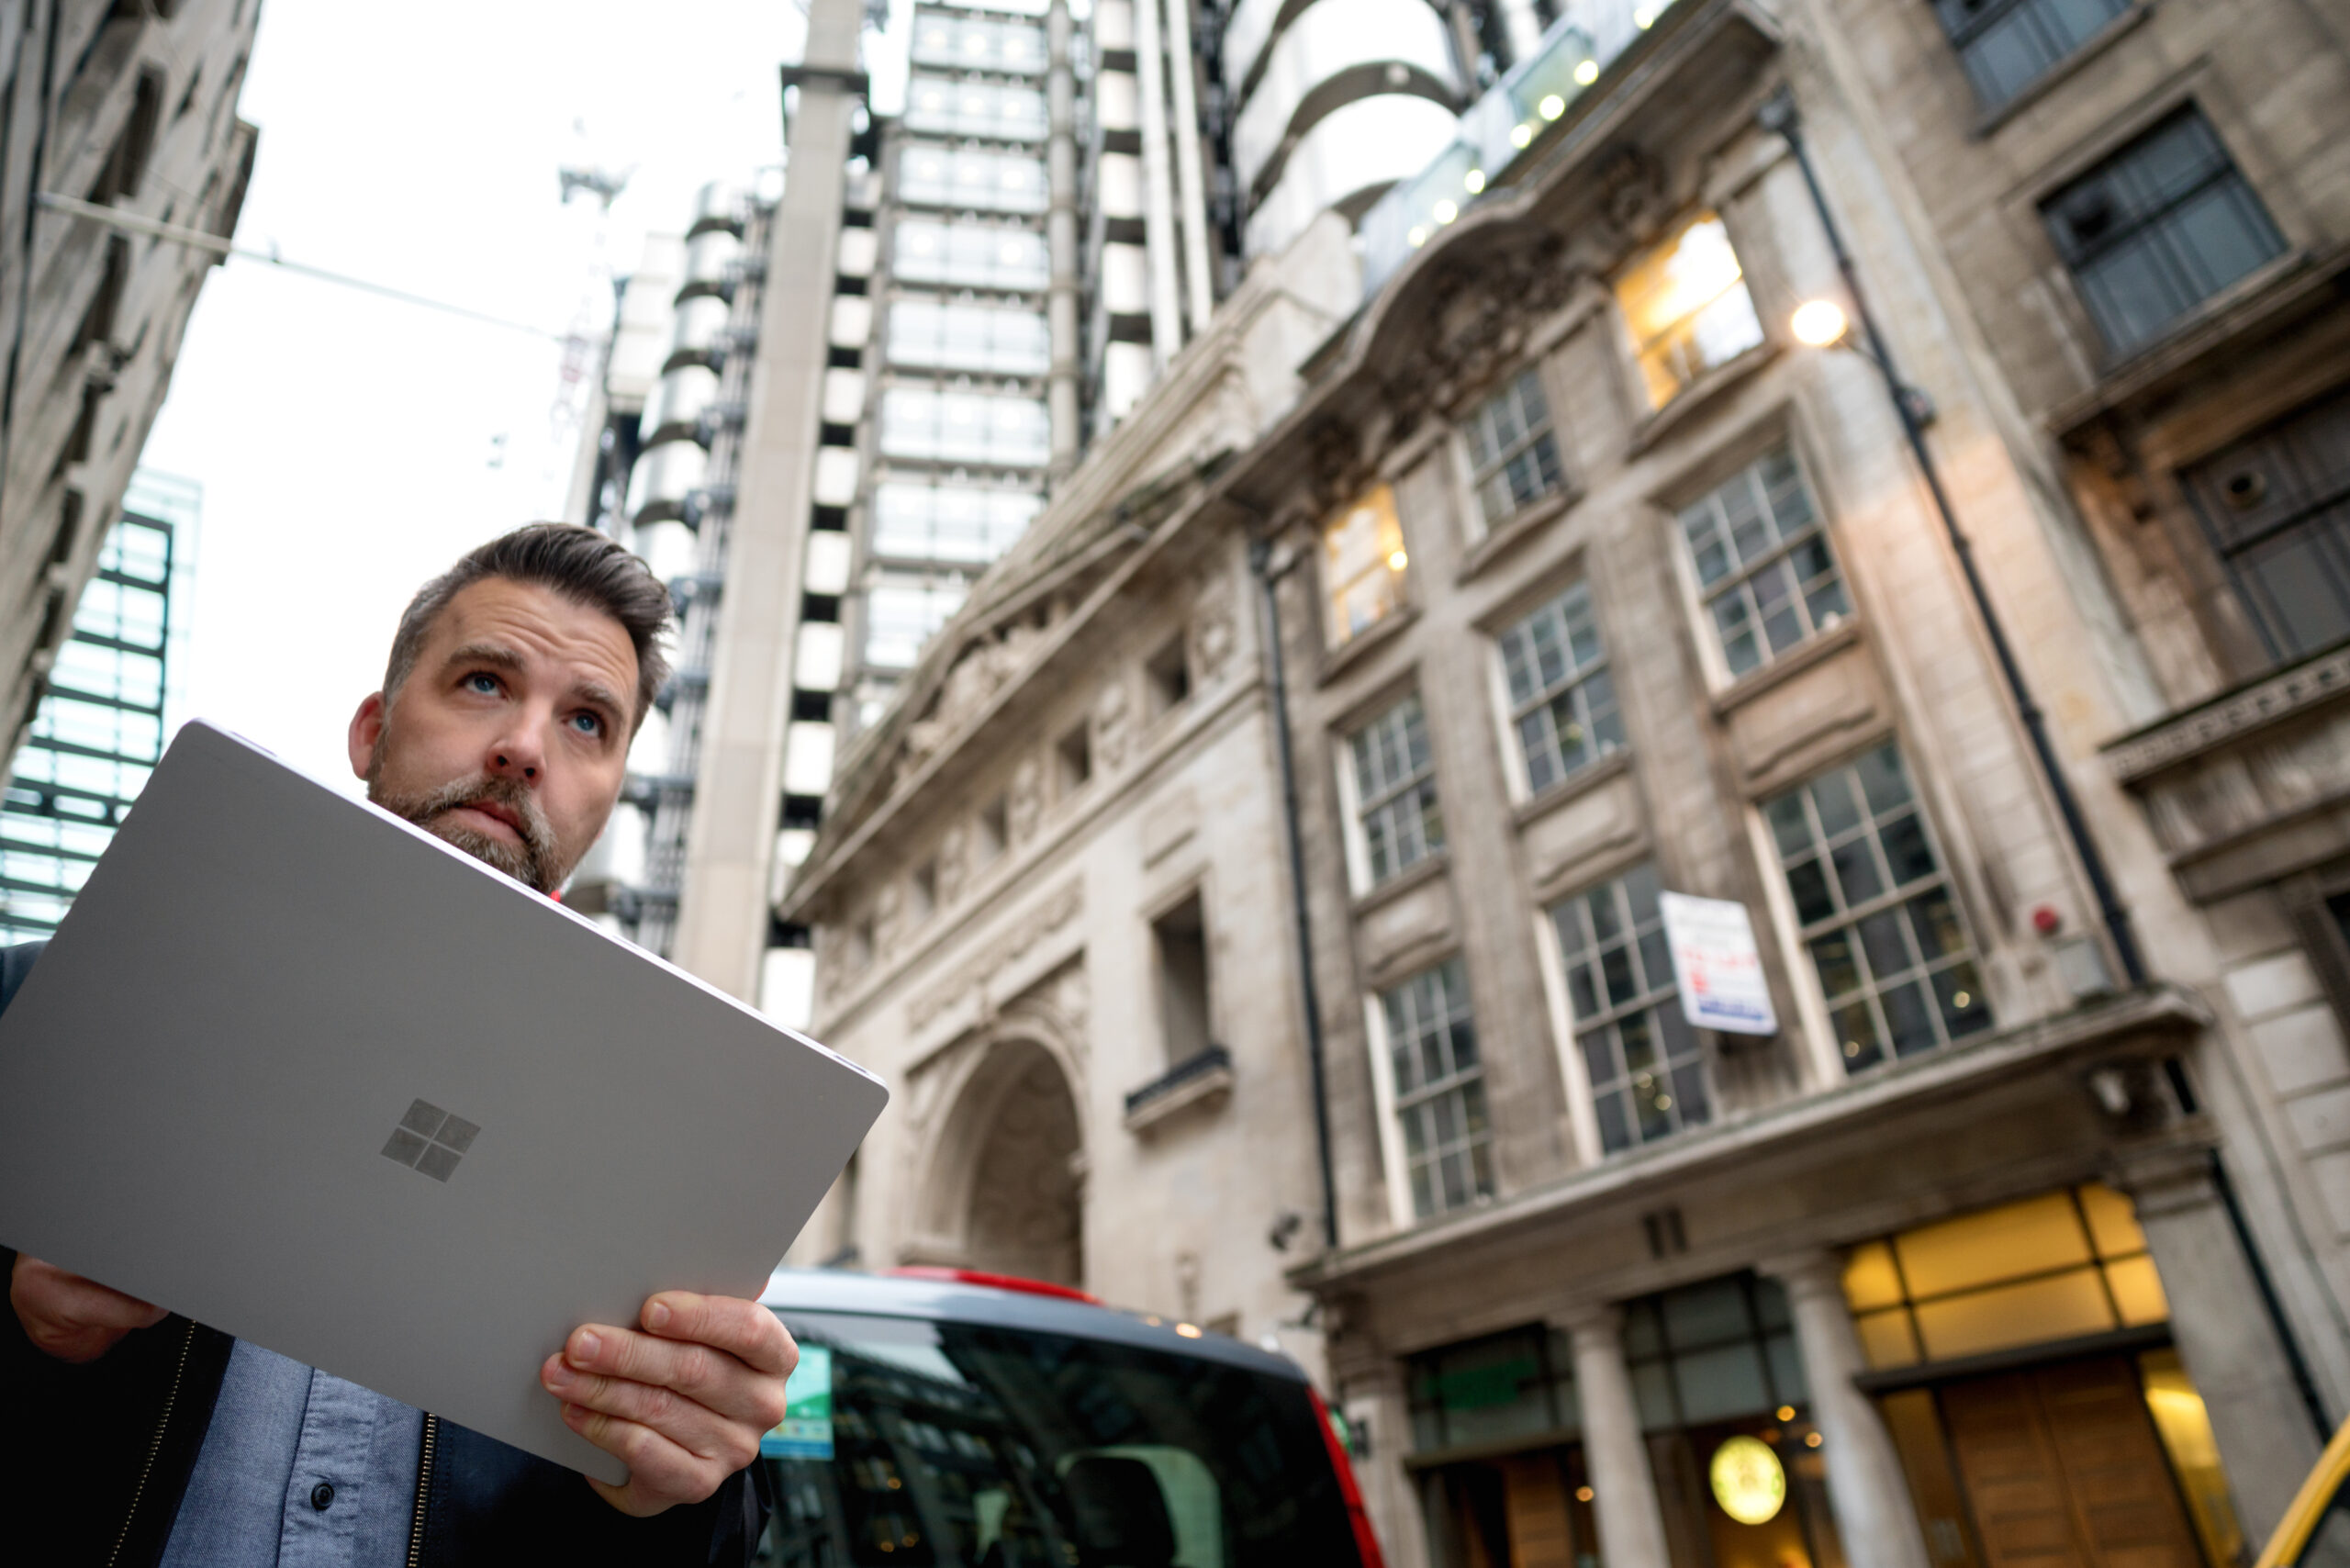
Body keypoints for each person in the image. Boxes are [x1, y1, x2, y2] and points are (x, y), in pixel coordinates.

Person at [1, 526, 789, 1565]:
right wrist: (31, 1343)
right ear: (373, 730)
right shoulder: (39, 1004)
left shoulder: (670, 1143)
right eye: (480, 683)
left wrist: (671, 1496)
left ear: (605, 804)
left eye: (587, 720)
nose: (524, 747)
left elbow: (709, 1532)